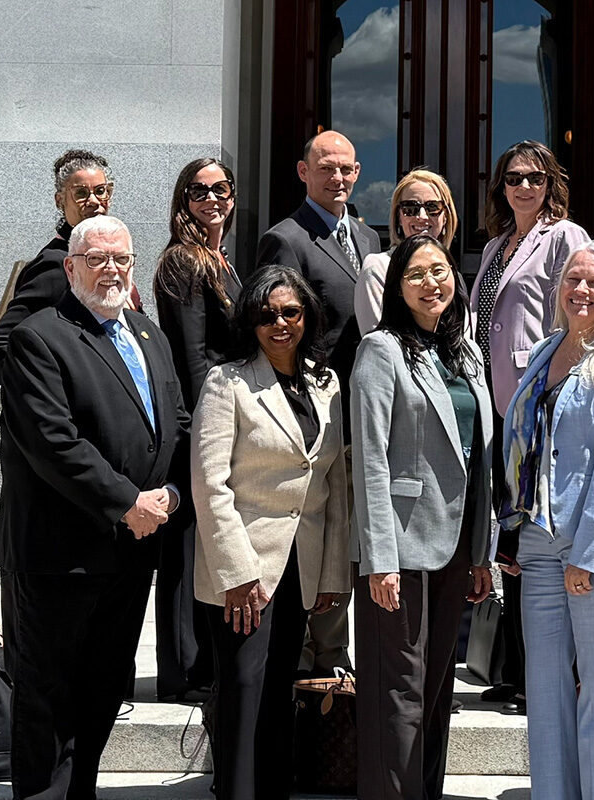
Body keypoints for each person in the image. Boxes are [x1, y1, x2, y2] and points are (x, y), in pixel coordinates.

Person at [0, 215, 190, 799]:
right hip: (61, 554)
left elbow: (178, 425)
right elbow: (54, 442)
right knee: (48, 697)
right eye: (97, 258)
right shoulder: (40, 337)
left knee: (104, 690)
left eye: (121, 259)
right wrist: (126, 501)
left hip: (131, 553)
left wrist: (171, 495)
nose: (111, 269)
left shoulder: (148, 336)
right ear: (71, 267)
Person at [498, 241, 594, 799]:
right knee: (544, 689)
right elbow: (523, 445)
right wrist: (509, 531)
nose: (581, 290)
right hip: (539, 544)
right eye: (572, 280)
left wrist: (587, 552)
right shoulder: (546, 348)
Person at [191, 265, 350, 800]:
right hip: (242, 570)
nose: (279, 323)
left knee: (279, 690)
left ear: (308, 315)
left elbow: (331, 488)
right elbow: (210, 486)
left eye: (290, 312)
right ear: (249, 319)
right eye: (266, 314)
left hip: (300, 567)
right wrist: (237, 574)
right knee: (242, 689)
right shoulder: (227, 382)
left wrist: (331, 575)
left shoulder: (326, 385)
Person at [350, 234, 494, 799]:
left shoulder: (467, 350)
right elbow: (370, 460)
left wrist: (483, 552)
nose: (431, 283)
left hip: (458, 544)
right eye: (416, 274)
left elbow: (479, 457)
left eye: (440, 271)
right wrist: (379, 558)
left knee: (435, 693)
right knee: (397, 694)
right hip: (401, 547)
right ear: (397, 287)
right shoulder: (381, 349)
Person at [470, 140, 590, 710]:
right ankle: (514, 665)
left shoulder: (564, 236)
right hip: (499, 408)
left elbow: (582, 310)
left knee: (538, 531)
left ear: (550, 184)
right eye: (514, 177)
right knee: (512, 537)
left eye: (535, 178)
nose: (524, 187)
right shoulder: (496, 244)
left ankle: (543, 675)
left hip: (540, 400)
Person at [255, 129, 381, 674]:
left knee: (348, 531)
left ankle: (335, 654)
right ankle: (309, 659)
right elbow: (277, 327)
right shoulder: (285, 239)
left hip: (367, 410)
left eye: (347, 169)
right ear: (304, 172)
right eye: (326, 168)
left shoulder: (370, 239)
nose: (338, 178)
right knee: (317, 529)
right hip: (313, 411)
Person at [151, 157, 242, 700]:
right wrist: (209, 425)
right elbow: (193, 358)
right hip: (195, 422)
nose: (212, 198)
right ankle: (182, 670)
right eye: (199, 190)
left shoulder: (218, 258)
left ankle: (199, 662)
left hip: (213, 415)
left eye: (221, 188)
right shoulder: (185, 261)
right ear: (183, 200)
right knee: (183, 549)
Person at [0, 149, 120, 382]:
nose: (94, 202)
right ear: (60, 200)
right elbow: (2, 343)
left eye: (101, 191)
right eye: (81, 193)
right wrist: (48, 396)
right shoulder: (57, 264)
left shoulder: (108, 258)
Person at [353, 168, 458, 334]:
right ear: (399, 217)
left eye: (432, 207)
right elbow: (377, 342)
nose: (422, 216)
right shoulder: (378, 268)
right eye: (410, 208)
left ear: (445, 216)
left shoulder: (452, 275)